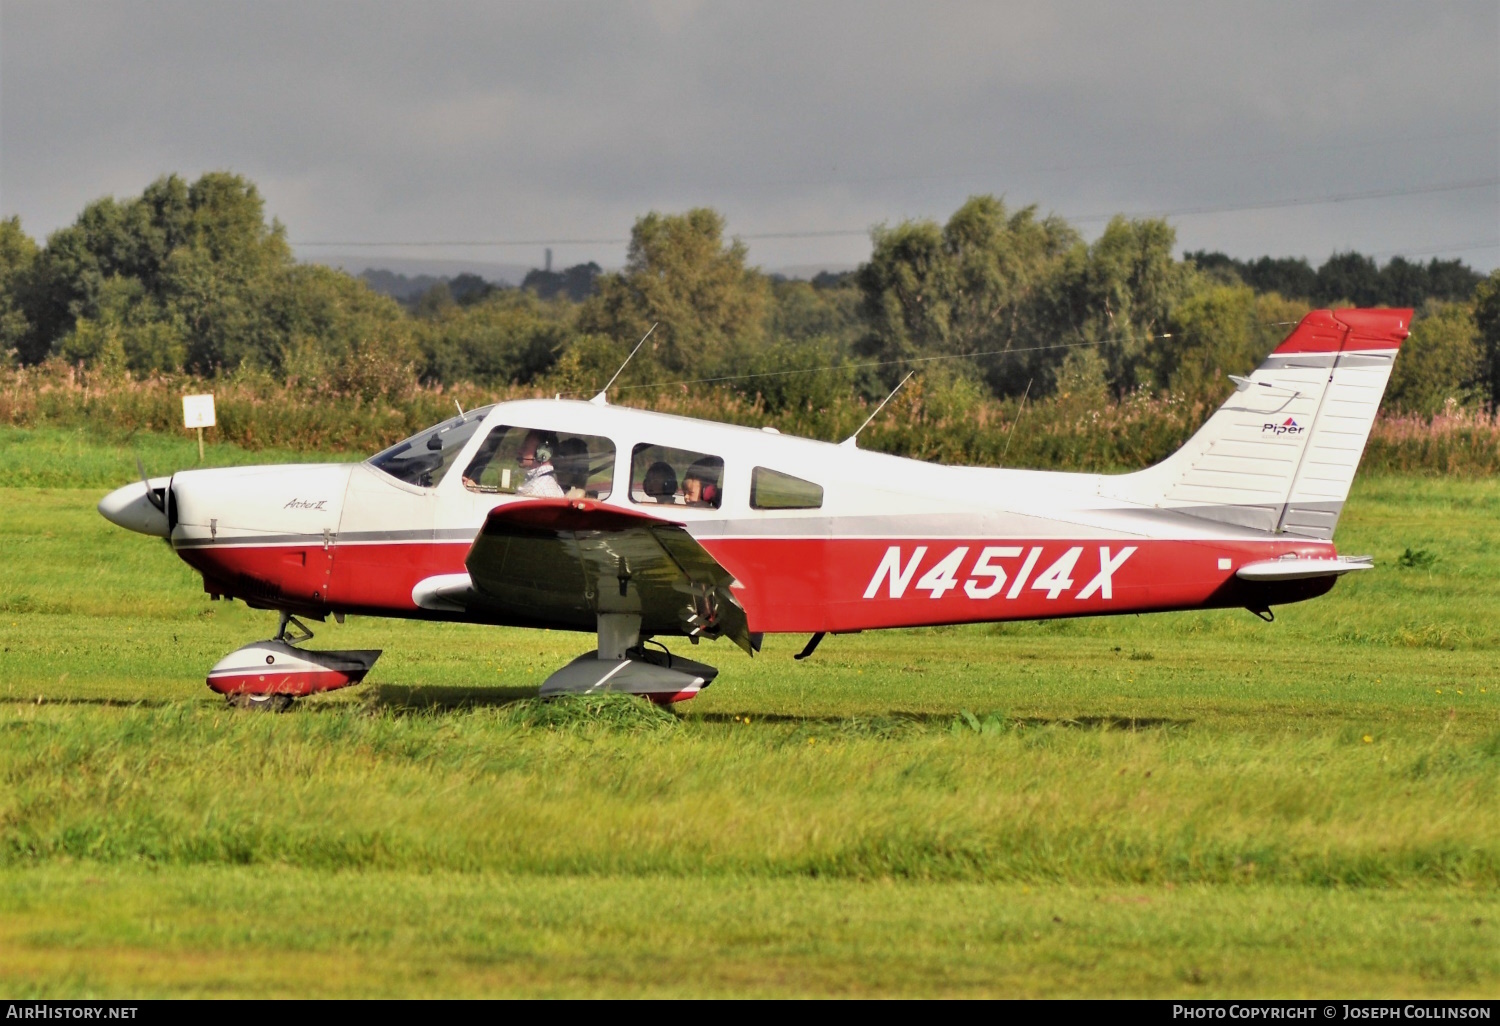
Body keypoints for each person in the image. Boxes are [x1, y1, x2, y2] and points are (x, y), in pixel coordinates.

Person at [516, 430, 564, 497]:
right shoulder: (553, 484)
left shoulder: (533, 490)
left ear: (542, 454)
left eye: (525, 448)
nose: (519, 451)